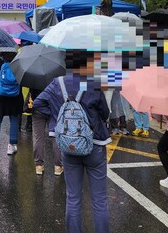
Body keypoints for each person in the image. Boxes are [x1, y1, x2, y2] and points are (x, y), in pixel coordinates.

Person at [34, 50, 111, 233]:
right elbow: (105, 114)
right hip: (94, 146)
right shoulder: (93, 84)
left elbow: (38, 103)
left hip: (68, 147)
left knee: (73, 198)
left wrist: (57, 117)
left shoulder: (56, 83)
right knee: (99, 200)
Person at [0, 52, 23, 156]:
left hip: (1, 95)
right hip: (15, 96)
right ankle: (11, 145)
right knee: (14, 119)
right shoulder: (19, 63)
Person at [31, 87, 64, 176]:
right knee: (55, 136)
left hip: (37, 110)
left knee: (38, 138)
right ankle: (58, 166)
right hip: (54, 110)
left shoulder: (34, 76)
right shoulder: (55, 80)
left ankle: (39, 165)